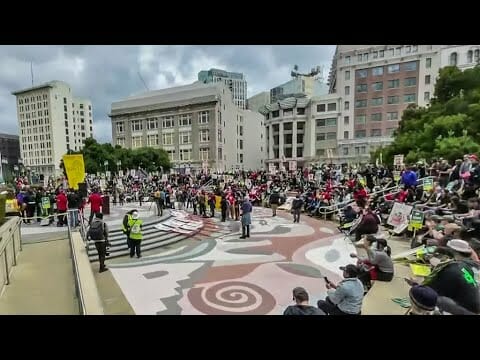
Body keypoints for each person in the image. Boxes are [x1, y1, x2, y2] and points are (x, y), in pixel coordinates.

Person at [409, 239, 480, 314]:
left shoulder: (449, 271)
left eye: (435, 257)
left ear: (444, 258)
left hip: (468, 311)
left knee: (422, 295)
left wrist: (416, 284)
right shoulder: (462, 265)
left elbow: (429, 291)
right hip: (474, 305)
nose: (431, 260)